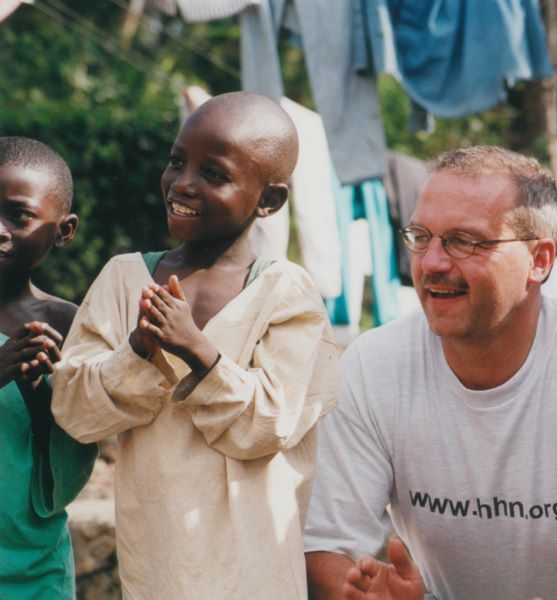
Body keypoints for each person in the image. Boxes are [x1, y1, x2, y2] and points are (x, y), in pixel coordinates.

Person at [50, 92, 339, 599]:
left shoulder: (287, 295)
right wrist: (137, 349)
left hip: (256, 572)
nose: (183, 183)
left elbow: (271, 425)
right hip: (159, 565)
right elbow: (75, 410)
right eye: (177, 162)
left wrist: (197, 351)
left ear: (269, 201)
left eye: (215, 174)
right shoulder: (124, 280)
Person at [303, 146, 557, 600]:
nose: (431, 262)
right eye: (420, 236)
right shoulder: (374, 365)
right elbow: (329, 545)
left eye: (463, 241)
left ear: (540, 260)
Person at [0, 136, 97, 599]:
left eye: (17, 215)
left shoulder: (68, 324)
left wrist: (39, 392)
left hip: (33, 561)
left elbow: (67, 458)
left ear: (64, 230)